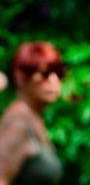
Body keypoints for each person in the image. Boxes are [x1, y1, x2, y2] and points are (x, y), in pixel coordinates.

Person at [0, 42, 65, 185]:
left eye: (59, 73)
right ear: (21, 77)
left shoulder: (33, 117)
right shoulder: (17, 126)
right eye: (45, 74)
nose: (54, 81)